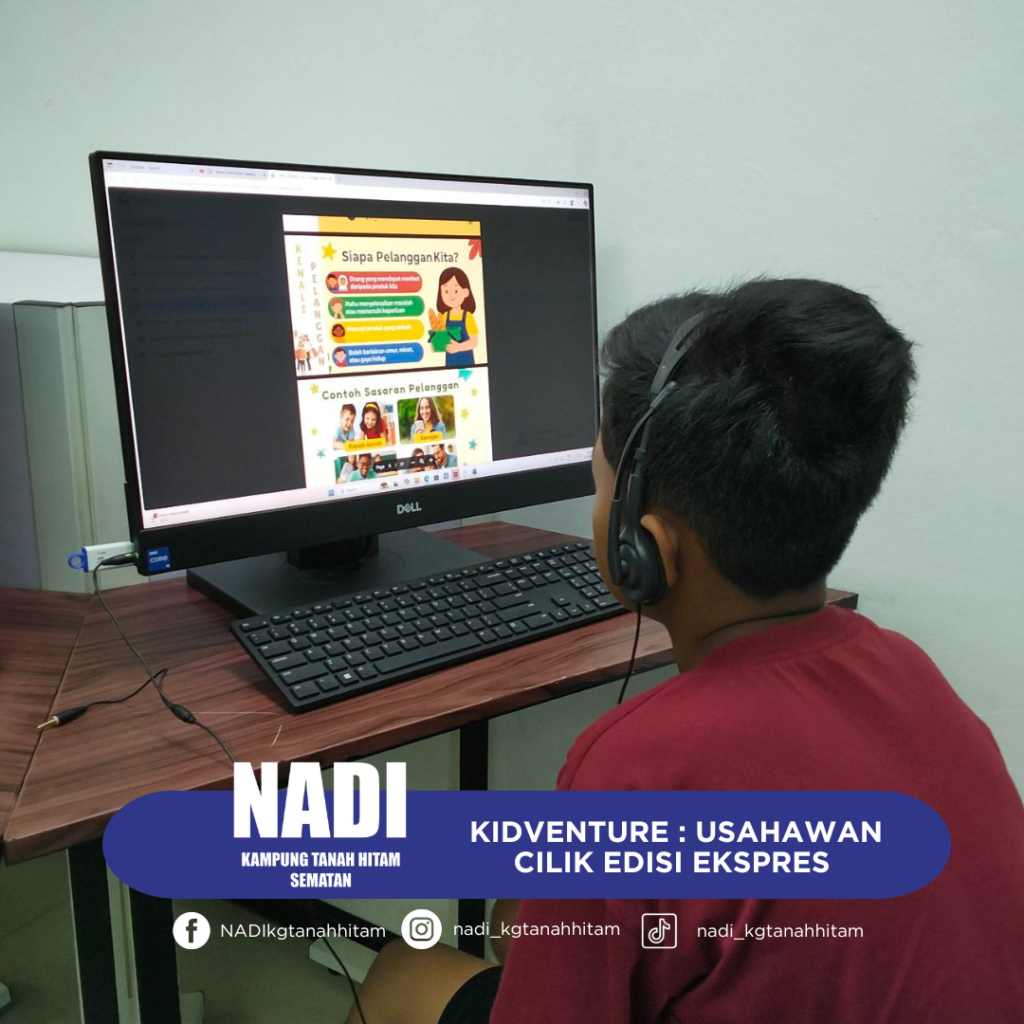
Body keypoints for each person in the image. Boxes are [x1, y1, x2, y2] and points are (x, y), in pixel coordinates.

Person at [347, 279, 1024, 1024]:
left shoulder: (638, 770)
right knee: (522, 915)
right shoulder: (909, 669)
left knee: (404, 969)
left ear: (643, 547)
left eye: (598, 488)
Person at [429, 268, 479, 368]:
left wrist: (459, 347)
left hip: (466, 361)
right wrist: (436, 345)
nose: (451, 295)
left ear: (465, 292)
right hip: (450, 361)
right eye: (446, 291)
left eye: (456, 291)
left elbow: (474, 342)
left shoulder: (467, 317)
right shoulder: (444, 316)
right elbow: (441, 339)